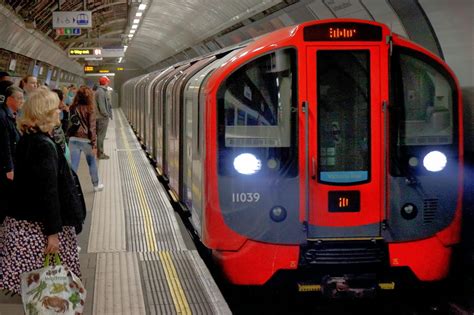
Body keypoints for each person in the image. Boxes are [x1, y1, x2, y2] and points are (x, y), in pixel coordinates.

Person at [0, 87, 84, 294]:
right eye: (55, 108)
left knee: (37, 289)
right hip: (40, 228)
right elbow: (48, 192)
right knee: (51, 287)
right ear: (44, 112)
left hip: (26, 223)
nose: (59, 111)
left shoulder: (27, 139)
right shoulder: (43, 145)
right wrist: (53, 233)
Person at [68, 86, 104, 192]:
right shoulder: (90, 109)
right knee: (92, 163)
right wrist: (94, 145)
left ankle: (70, 187)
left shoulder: (72, 107)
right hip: (86, 141)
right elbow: (92, 128)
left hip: (73, 139)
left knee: (73, 165)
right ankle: (96, 185)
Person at [0, 86, 23, 223]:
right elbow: (4, 144)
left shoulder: (9, 115)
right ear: (9, 99)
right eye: (19, 98)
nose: (22, 101)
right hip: (5, 168)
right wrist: (9, 168)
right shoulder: (3, 117)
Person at [95, 76, 112, 159]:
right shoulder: (101, 92)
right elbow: (102, 106)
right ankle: (100, 154)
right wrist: (106, 114)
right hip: (102, 117)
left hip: (100, 116)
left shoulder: (100, 91)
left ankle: (100, 152)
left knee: (100, 136)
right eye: (107, 82)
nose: (108, 83)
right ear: (105, 82)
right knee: (101, 136)